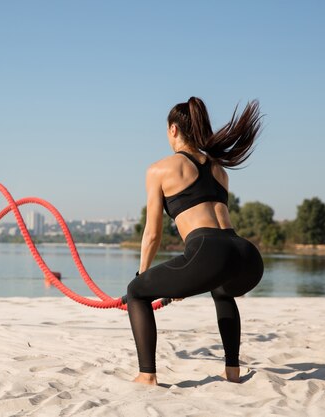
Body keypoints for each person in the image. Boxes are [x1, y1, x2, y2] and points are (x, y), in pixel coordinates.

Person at [125, 97, 264, 386]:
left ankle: (146, 375)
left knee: (137, 292)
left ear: (173, 129)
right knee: (221, 290)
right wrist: (184, 282)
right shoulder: (219, 170)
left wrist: (143, 274)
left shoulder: (160, 169)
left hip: (209, 252)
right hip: (247, 256)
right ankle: (232, 371)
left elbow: (152, 233)